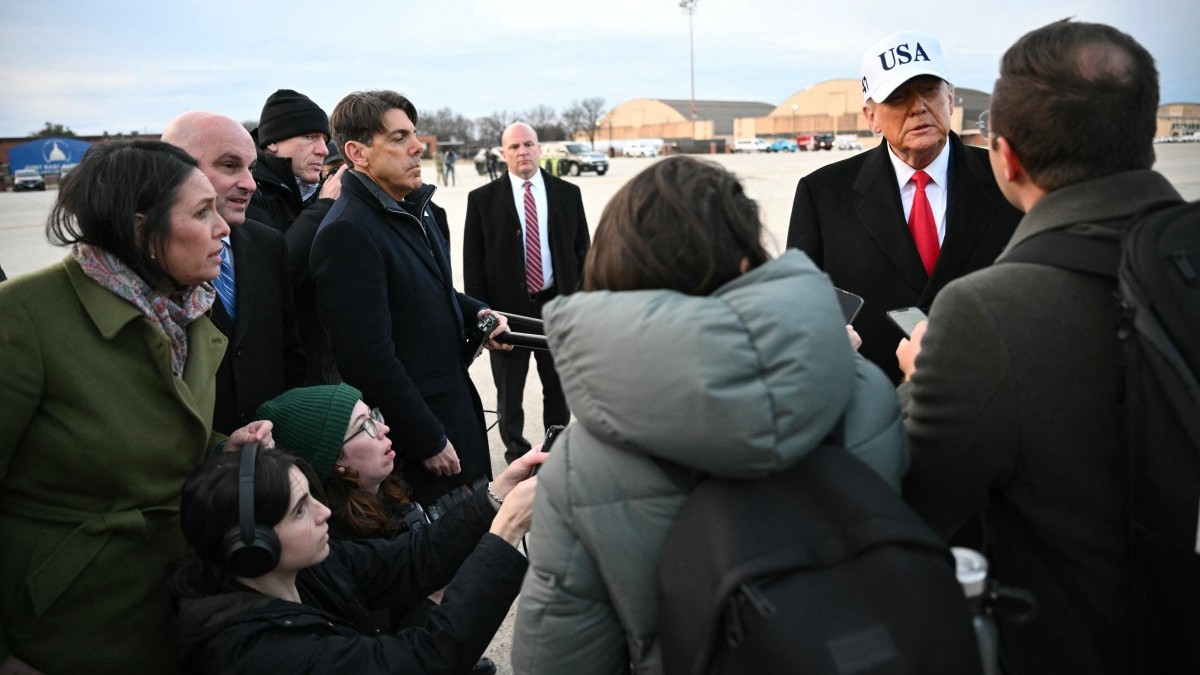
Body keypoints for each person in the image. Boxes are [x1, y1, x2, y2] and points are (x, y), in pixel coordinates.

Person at [511, 156, 908, 675]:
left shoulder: (579, 466)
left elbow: (557, 660)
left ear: (617, 272)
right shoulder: (866, 391)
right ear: (748, 258)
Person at [896, 20, 1184, 675]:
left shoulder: (986, 313)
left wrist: (920, 375)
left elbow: (914, 504)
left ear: (1006, 157)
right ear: (1145, 135)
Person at [0, 140, 273, 675]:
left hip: (179, 599)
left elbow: (156, 434)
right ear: (140, 228)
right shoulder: (24, 318)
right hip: (68, 625)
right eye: (202, 212)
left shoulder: (187, 308)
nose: (225, 228)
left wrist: (223, 448)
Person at [169, 443, 540, 674]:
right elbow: (426, 661)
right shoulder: (259, 655)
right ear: (252, 547)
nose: (323, 512)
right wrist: (504, 536)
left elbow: (413, 558)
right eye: (300, 510)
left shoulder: (306, 569)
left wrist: (497, 494)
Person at [311, 90, 510, 506]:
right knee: (450, 553)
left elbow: (425, 292)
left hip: (453, 411)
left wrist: (478, 314)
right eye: (399, 137)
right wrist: (427, 439)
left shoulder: (411, 209)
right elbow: (367, 358)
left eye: (413, 134)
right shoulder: (348, 232)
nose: (417, 146)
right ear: (357, 153)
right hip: (424, 435)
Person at [786, 30, 1020, 383]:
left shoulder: (1008, 178)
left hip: (992, 394)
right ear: (871, 117)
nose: (918, 107)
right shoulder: (822, 194)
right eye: (897, 98)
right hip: (875, 400)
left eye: (929, 90)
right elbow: (800, 308)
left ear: (950, 98)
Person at [161, 111, 307, 433]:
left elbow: (289, 353)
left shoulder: (268, 244)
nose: (250, 184)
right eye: (229, 166)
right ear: (175, 168)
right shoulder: (149, 262)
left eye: (252, 168)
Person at [464, 122, 590, 463]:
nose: (523, 152)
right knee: (509, 393)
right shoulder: (482, 200)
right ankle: (517, 456)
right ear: (503, 154)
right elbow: (473, 267)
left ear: (539, 148)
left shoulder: (567, 193)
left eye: (529, 144)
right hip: (508, 316)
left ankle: (557, 451)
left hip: (556, 309)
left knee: (558, 388)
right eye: (515, 146)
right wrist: (485, 321)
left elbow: (583, 256)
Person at [245, 89, 348, 386]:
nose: (322, 150)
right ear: (272, 142)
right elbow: (275, 275)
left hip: (329, 367)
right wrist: (323, 208)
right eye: (309, 138)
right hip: (286, 377)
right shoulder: (250, 194)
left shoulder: (311, 190)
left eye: (324, 140)